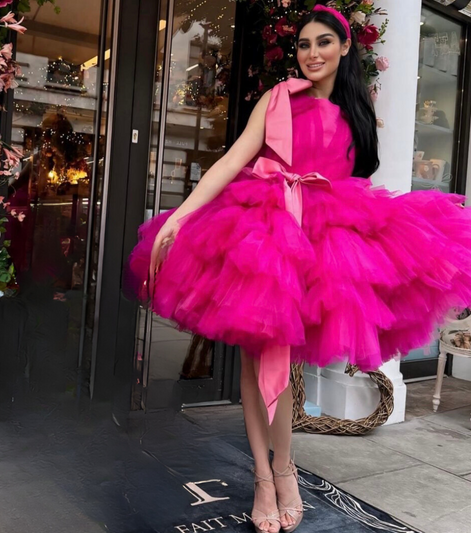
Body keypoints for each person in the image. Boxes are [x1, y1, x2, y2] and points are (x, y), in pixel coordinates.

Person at [125, 6, 471, 533]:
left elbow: (354, 177)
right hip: (263, 232)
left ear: (345, 47)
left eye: (323, 43)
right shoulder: (279, 97)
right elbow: (233, 158)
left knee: (285, 365)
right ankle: (267, 477)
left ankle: (282, 468)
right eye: (304, 44)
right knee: (255, 361)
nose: (312, 53)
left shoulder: (358, 111)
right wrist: (185, 215)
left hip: (324, 237)